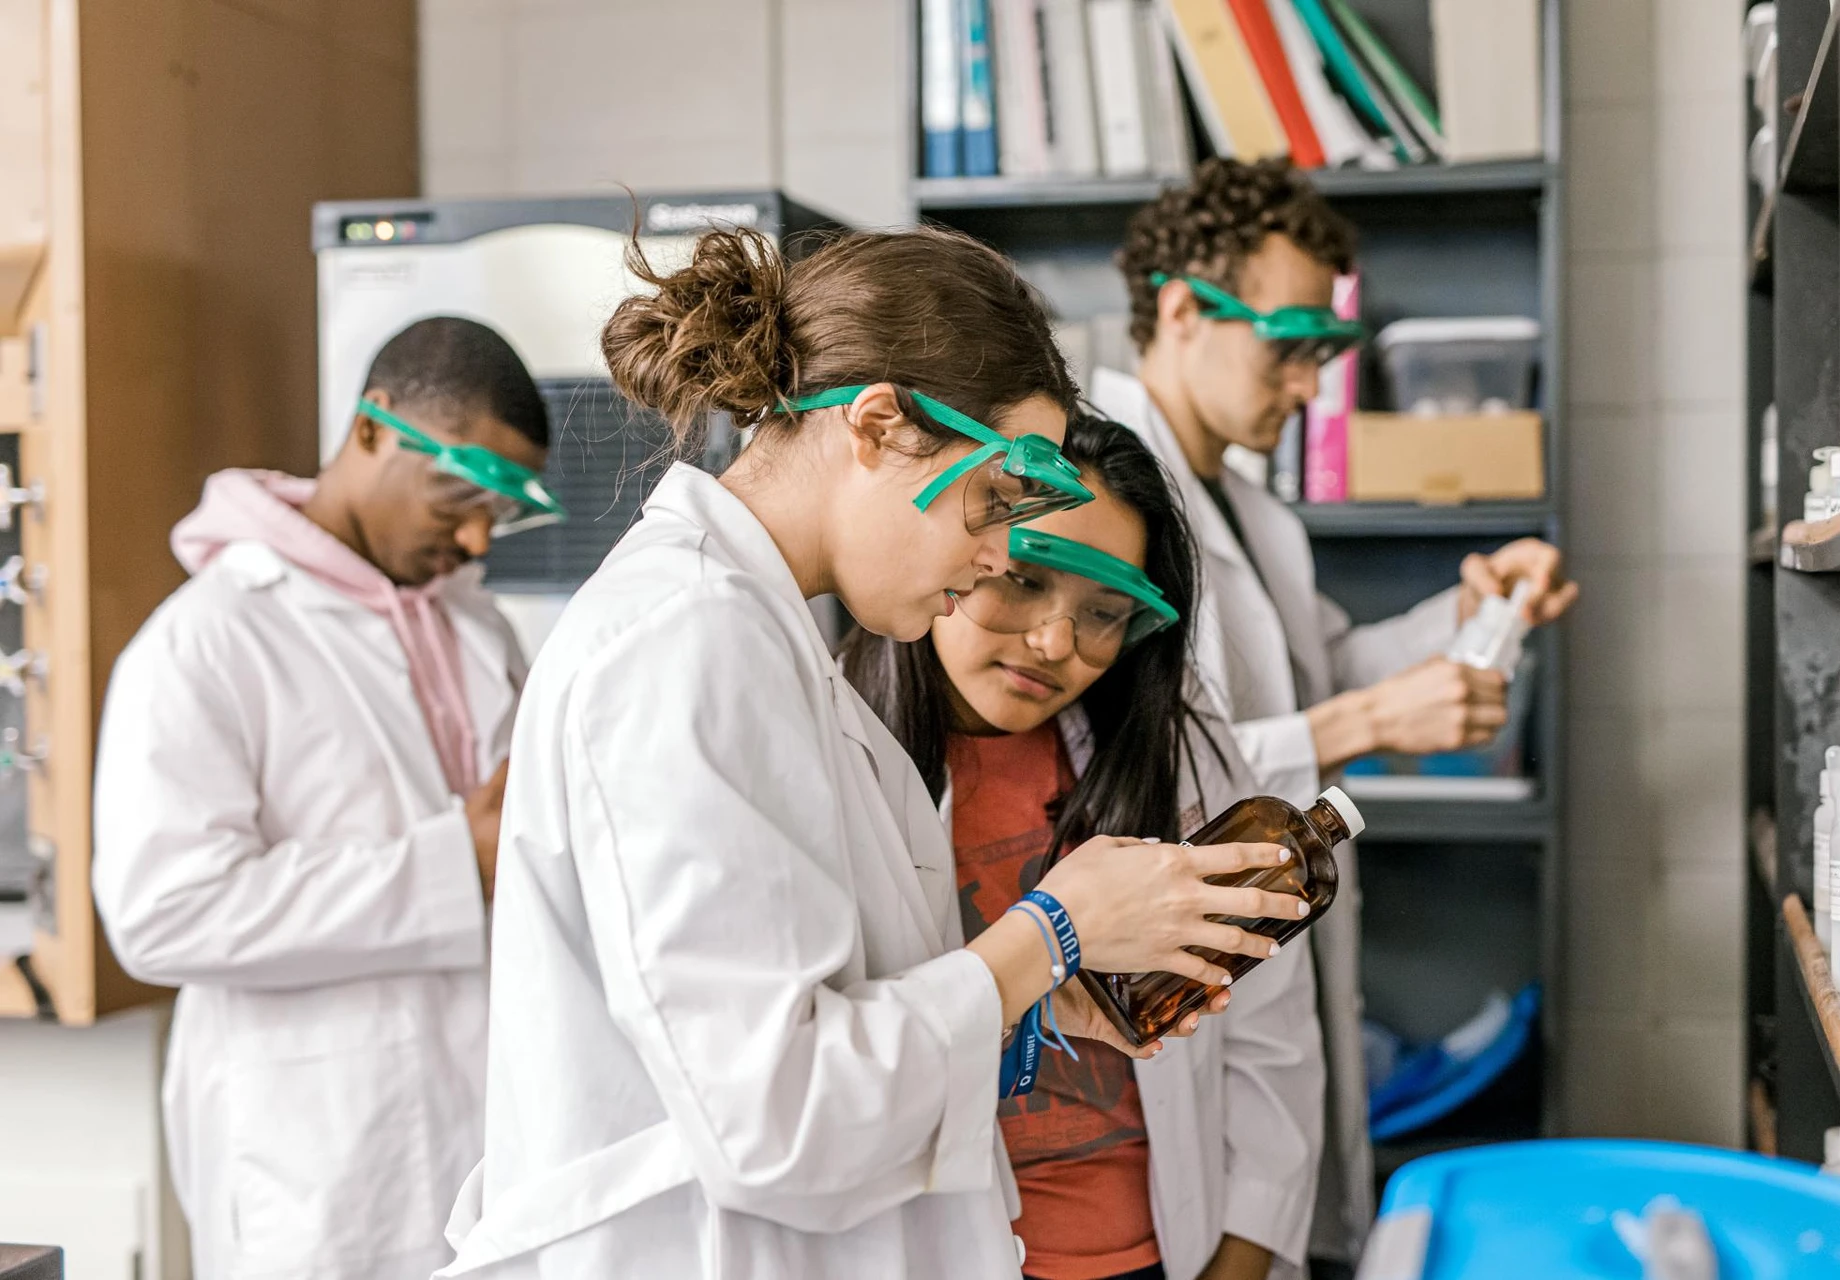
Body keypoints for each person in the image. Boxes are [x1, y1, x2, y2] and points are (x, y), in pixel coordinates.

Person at [443, 226, 1320, 1280]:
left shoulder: (759, 641)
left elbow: (832, 1017)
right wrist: (1052, 929)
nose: (1000, 552)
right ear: (880, 425)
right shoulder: (686, 639)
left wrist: (1032, 998)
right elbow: (777, 1113)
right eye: (997, 497)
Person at [1090, 157, 1579, 1274]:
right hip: (1157, 1013)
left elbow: (1321, 665)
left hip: (1263, 988)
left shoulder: (1256, 508)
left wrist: (1466, 611)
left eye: (1324, 352)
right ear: (1180, 309)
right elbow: (1143, 770)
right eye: (1289, 344)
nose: (1311, 385)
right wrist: (1363, 720)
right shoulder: (1104, 497)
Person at [92, 316, 563, 1280]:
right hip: (320, 1162)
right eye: (461, 493)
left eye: (503, 510)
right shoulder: (206, 643)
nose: (477, 534)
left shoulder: (478, 627)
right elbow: (163, 914)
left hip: (498, 1134)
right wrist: (454, 867)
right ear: (373, 430)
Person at [843, 416, 1327, 1280]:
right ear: (959, 553)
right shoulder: (835, 749)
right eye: (1023, 583)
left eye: (1104, 612)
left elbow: (1270, 1046)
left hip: (1158, 1253)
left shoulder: (1182, 757)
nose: (1057, 644)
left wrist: (1237, 1265)